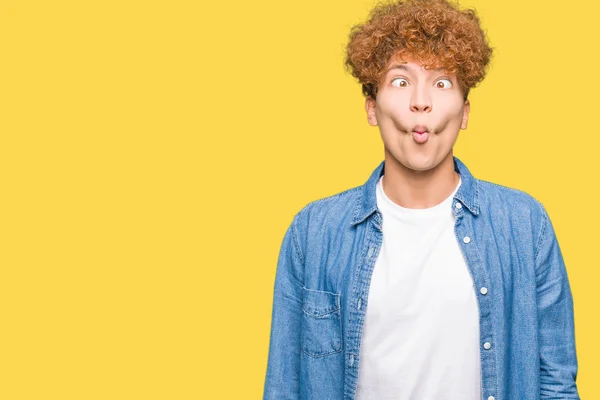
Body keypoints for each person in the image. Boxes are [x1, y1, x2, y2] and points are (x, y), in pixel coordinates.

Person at [262, 0, 580, 398]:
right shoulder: (313, 232)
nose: (421, 101)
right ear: (371, 108)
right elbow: (285, 387)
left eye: (441, 82)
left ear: (464, 113)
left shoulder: (524, 225)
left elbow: (556, 384)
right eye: (400, 81)